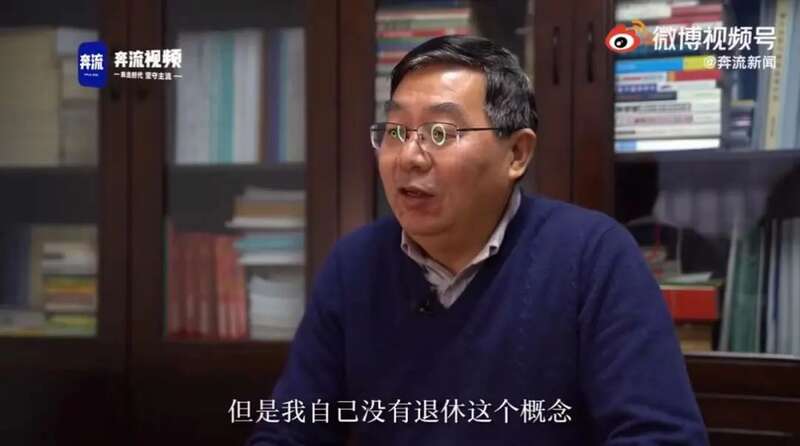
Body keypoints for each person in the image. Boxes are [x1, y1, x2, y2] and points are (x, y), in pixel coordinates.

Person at [247, 35, 708, 445]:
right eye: (396, 131)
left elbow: (660, 436)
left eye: (440, 133)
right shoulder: (355, 264)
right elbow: (290, 429)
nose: (409, 157)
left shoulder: (593, 258)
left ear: (517, 153)